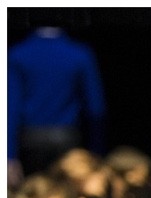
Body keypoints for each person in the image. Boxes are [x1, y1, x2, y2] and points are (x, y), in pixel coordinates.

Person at [8, 20, 107, 186]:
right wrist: (96, 153)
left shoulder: (18, 54)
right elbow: (96, 109)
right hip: (66, 138)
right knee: (67, 193)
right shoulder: (79, 54)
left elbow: (10, 109)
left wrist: (9, 155)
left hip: (32, 140)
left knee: (33, 194)